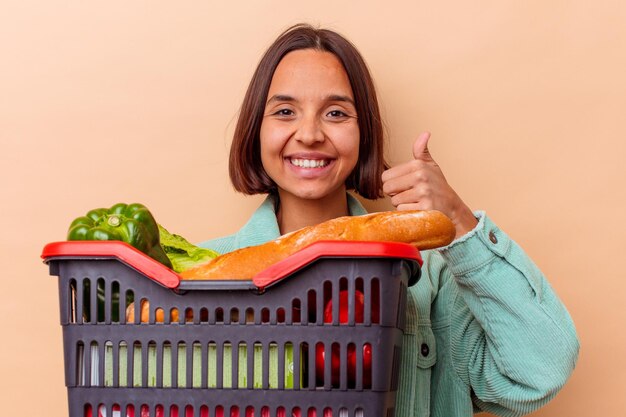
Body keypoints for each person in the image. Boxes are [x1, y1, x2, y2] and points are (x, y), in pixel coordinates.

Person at [199, 23, 579, 417]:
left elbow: (540, 371)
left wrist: (457, 219)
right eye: (284, 111)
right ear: (255, 131)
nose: (309, 133)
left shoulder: (430, 282)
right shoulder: (198, 276)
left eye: (335, 112)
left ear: (363, 132)